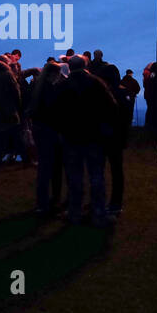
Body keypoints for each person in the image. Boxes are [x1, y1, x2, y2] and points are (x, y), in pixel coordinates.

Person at [54, 55, 119, 227]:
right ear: (85, 65)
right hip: (94, 137)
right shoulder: (96, 82)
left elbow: (55, 112)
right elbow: (111, 107)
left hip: (71, 138)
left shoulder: (62, 85)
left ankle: (74, 214)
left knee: (74, 177)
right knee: (96, 176)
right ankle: (99, 215)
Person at [90, 51, 129, 214]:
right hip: (117, 137)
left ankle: (99, 201)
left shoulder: (101, 94)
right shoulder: (123, 93)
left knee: (99, 170)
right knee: (116, 171)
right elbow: (126, 118)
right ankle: (115, 203)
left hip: (103, 136)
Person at [29, 61, 65, 217]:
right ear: (53, 74)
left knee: (45, 167)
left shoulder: (37, 87)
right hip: (50, 131)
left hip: (40, 129)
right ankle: (49, 201)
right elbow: (54, 111)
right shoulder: (50, 89)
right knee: (53, 167)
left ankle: (43, 202)